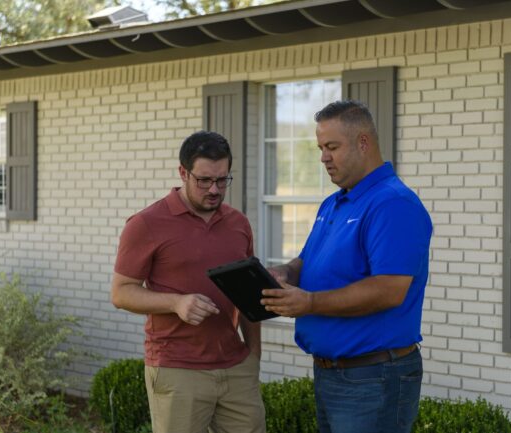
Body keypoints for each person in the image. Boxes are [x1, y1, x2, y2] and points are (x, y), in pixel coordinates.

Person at [262, 100, 432, 433]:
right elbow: (306, 262)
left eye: (332, 147)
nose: (324, 156)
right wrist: (284, 273)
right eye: (321, 148)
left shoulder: (392, 204)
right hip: (333, 374)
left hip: (373, 377)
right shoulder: (335, 202)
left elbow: (389, 290)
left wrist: (310, 303)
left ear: (363, 143)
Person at [111, 131, 265, 433]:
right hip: (177, 368)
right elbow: (121, 293)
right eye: (204, 180)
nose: (214, 189)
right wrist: (176, 302)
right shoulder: (146, 224)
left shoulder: (238, 223)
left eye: (222, 180)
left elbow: (249, 294)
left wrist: (254, 356)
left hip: (235, 367)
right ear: (183, 173)